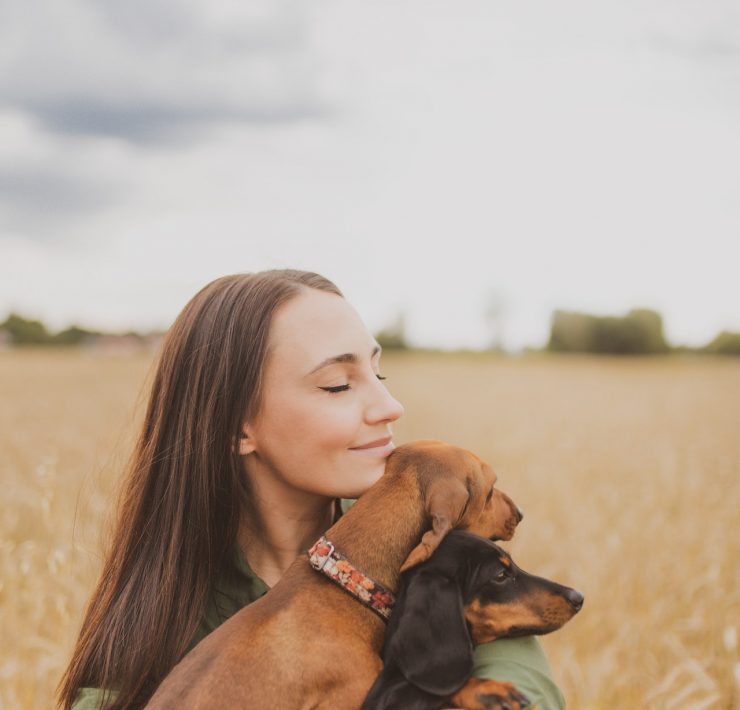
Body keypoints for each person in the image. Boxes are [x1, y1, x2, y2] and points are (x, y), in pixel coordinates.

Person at [58, 269, 565, 709]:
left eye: (378, 370)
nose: (390, 405)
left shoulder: (434, 549)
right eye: (338, 385)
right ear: (238, 428)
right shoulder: (167, 598)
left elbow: (528, 693)